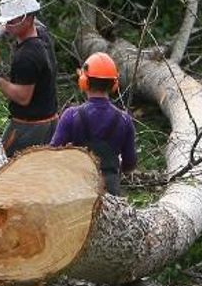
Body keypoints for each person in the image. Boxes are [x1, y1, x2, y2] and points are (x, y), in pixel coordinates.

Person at [0, 0, 59, 157]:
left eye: (11, 21)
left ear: (26, 19)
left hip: (29, 127)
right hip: (49, 121)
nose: (8, 25)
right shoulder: (42, 34)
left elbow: (22, 97)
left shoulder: (27, 56)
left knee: (4, 163)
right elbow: (35, 20)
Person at [50, 52, 137, 196]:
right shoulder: (124, 120)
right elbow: (130, 164)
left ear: (84, 81)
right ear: (114, 84)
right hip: (110, 193)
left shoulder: (71, 116)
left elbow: (53, 155)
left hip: (76, 192)